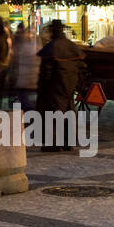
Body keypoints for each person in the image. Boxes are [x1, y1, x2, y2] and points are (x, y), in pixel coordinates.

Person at [35, 19, 84, 152]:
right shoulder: (70, 46)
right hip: (69, 85)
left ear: (52, 31)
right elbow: (79, 66)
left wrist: (41, 87)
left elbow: (47, 72)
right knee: (68, 112)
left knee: (52, 114)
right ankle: (68, 143)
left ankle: (54, 144)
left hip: (54, 86)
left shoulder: (52, 47)